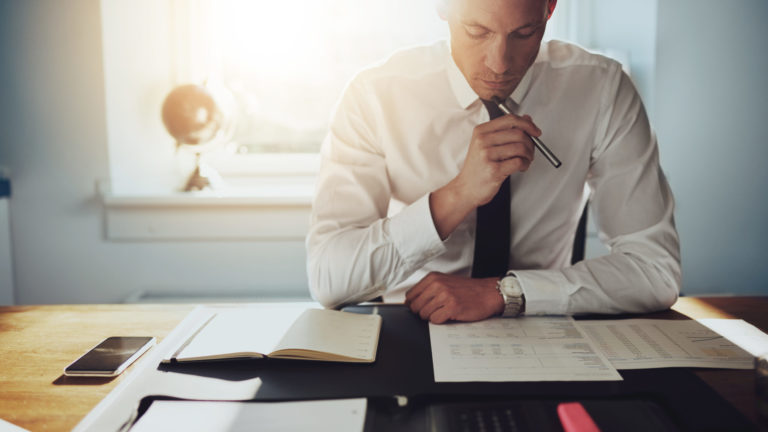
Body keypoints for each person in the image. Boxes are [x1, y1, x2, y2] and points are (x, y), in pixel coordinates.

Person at [306, 0, 681, 324]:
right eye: (477, 31)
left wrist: (505, 293)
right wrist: (456, 195)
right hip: (408, 324)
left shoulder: (602, 88)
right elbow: (329, 278)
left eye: (524, 33)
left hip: (540, 324)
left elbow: (655, 270)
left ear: (550, 9)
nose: (499, 64)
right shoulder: (374, 96)